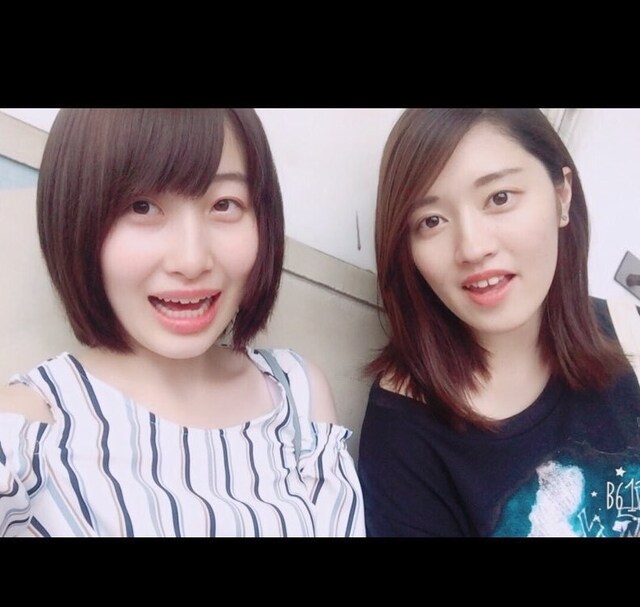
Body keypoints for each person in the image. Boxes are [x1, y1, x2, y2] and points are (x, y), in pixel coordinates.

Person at [0, 108, 365, 537]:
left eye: (225, 204)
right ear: (75, 216)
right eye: (142, 206)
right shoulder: (27, 429)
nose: (192, 260)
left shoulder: (297, 394)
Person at [358, 108, 640, 537]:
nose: (472, 248)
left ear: (562, 195)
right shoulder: (403, 433)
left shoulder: (629, 331)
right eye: (431, 221)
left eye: (500, 198)